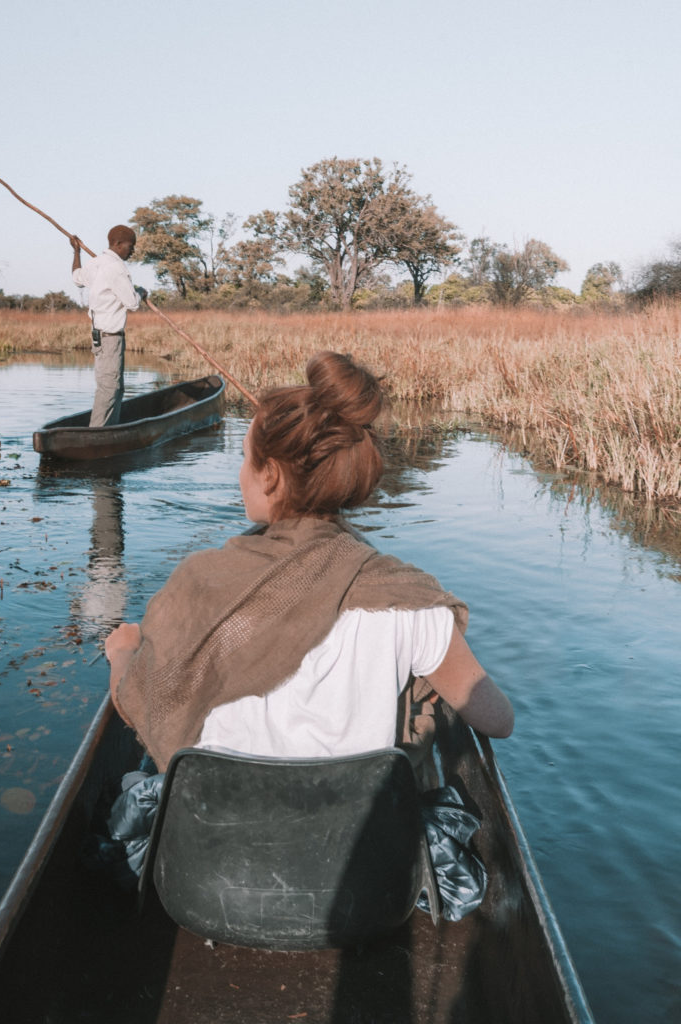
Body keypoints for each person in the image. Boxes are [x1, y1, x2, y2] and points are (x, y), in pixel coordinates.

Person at [104, 351, 513, 779]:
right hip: (356, 820)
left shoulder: (201, 582)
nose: (241, 473)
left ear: (271, 476)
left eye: (245, 458)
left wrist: (123, 653)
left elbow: (143, 704)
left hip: (213, 816)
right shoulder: (408, 601)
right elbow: (498, 721)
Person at [71, 226, 147, 428]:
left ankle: (110, 429)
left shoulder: (96, 263)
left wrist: (76, 252)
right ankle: (97, 433)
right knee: (110, 388)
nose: (132, 251)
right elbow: (132, 303)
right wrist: (141, 291)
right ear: (118, 244)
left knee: (114, 387)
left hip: (99, 336)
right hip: (110, 337)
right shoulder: (116, 268)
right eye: (130, 247)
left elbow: (76, 277)